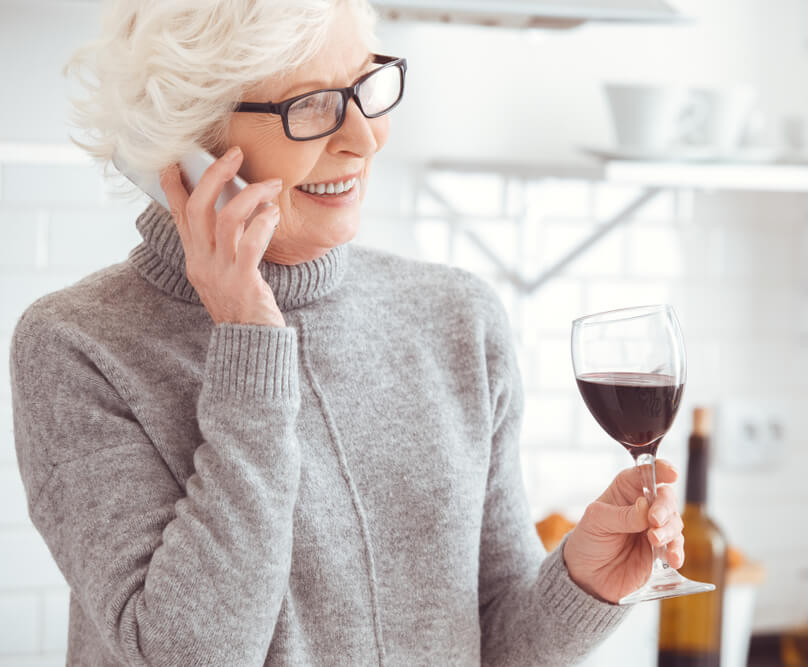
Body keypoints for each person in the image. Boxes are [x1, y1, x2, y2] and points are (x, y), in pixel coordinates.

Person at [8, 0, 686, 664]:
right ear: (188, 137)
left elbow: (487, 637)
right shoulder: (76, 345)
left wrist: (586, 581)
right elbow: (190, 653)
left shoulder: (457, 318)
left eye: (365, 86)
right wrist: (249, 338)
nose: (364, 137)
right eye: (310, 106)